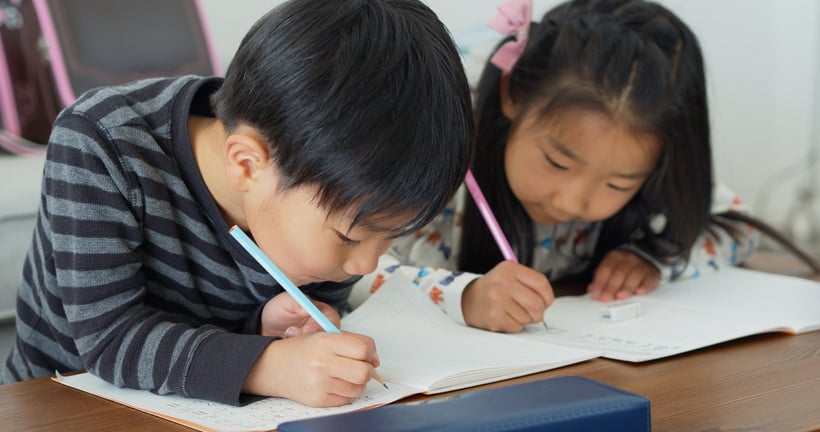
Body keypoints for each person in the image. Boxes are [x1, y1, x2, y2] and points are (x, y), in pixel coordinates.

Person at [1, 0, 474, 408]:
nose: (368, 262)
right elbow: (110, 341)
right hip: (63, 402)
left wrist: (276, 324)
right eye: (350, 235)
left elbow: (235, 320)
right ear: (247, 165)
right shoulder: (100, 143)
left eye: (392, 235)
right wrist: (269, 366)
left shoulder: (308, 184)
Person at [353, 0, 761, 333]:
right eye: (558, 162)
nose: (573, 201)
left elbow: (737, 227)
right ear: (512, 94)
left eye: (619, 184)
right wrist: (466, 296)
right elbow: (344, 272)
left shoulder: (648, 155)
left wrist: (653, 257)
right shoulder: (432, 155)